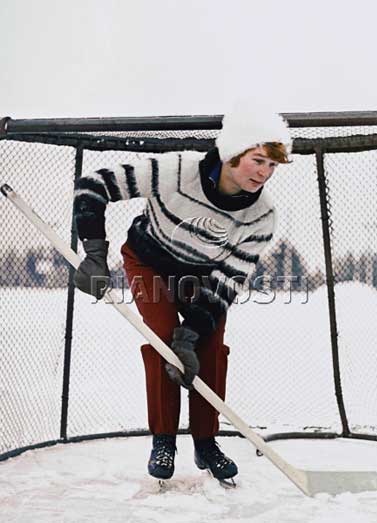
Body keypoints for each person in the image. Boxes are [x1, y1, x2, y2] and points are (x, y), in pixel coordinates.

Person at [73, 101, 292, 483]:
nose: (265, 172)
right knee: (161, 342)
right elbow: (94, 185)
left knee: (209, 348)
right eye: (258, 160)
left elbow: (228, 281)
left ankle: (206, 442)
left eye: (273, 165)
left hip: (204, 280)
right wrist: (94, 253)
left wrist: (191, 335)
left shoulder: (263, 216)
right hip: (149, 263)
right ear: (232, 152)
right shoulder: (176, 170)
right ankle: (164, 440)